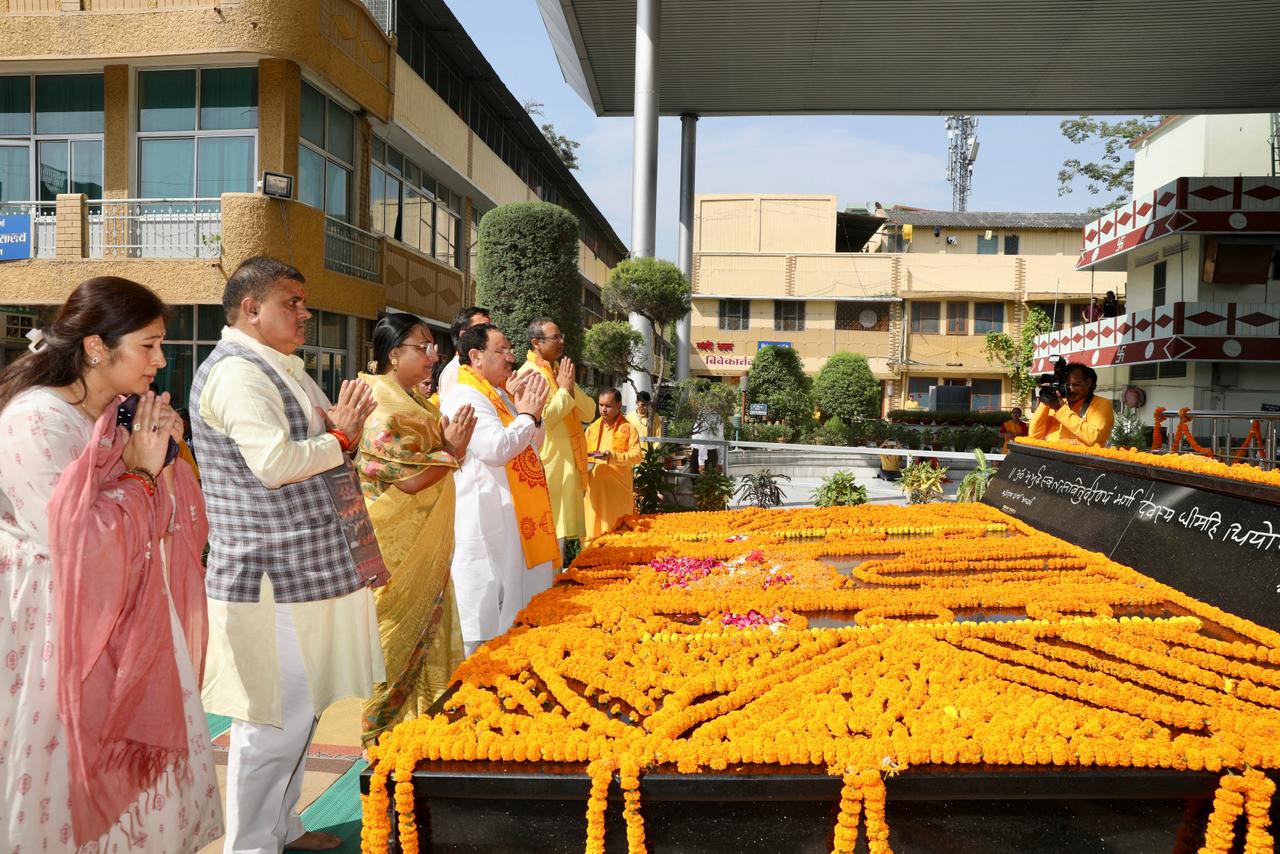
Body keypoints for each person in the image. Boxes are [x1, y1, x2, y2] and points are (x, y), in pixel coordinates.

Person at [0, 277, 222, 852]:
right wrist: (143, 473)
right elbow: (68, 538)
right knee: (64, 785)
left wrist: (164, 461)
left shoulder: (121, 417)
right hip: (62, 631)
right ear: (98, 347)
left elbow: (169, 526)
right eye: (147, 345)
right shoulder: (35, 419)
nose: (160, 359)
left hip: (135, 619)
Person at [191, 256, 389, 854]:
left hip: (303, 572)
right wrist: (342, 437)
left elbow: (317, 447)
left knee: (298, 714)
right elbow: (276, 464)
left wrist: (337, 434)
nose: (305, 314)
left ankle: (286, 827)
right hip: (268, 577)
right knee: (271, 721)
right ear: (251, 310)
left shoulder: (280, 368)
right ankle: (250, 844)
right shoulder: (238, 375)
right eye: (292, 303)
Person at [356, 314, 476, 745]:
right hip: (396, 548)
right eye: (421, 347)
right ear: (393, 354)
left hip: (426, 542)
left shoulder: (415, 401)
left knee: (430, 632)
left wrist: (447, 448)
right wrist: (453, 451)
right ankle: (380, 743)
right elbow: (406, 478)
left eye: (432, 346)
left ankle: (418, 735)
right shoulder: (382, 406)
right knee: (393, 640)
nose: (432, 355)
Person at [440, 323, 557, 656]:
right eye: (502, 350)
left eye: (510, 349)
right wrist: (525, 415)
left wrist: (529, 413)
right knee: (484, 612)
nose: (511, 356)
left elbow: (533, 443)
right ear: (476, 356)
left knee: (509, 605)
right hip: (485, 518)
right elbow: (496, 448)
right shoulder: (466, 395)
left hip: (510, 513)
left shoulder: (498, 393)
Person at [518, 318, 596, 558]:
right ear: (536, 343)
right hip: (547, 466)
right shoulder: (529, 373)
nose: (562, 341)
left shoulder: (556, 371)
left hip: (564, 466)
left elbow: (589, 412)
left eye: (562, 336)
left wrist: (568, 388)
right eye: (555, 337)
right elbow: (542, 419)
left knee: (557, 540)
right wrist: (563, 390)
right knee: (546, 535)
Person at [584, 387, 643, 540]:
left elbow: (637, 456)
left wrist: (613, 457)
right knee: (592, 535)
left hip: (617, 494)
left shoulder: (629, 429)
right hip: (594, 492)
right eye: (601, 405)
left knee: (617, 535)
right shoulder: (592, 429)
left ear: (618, 406)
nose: (603, 409)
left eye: (608, 406)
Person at [1028, 363, 1115, 447]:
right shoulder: (1058, 402)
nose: (1071, 390)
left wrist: (1061, 409)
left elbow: (1094, 439)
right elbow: (1034, 435)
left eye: (1076, 385)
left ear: (1088, 383)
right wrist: (1047, 398)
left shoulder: (1102, 404)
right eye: (1067, 385)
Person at [435, 306, 491, 400]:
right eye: (484, 327)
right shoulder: (453, 372)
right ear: (464, 335)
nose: (491, 332)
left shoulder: (482, 367)